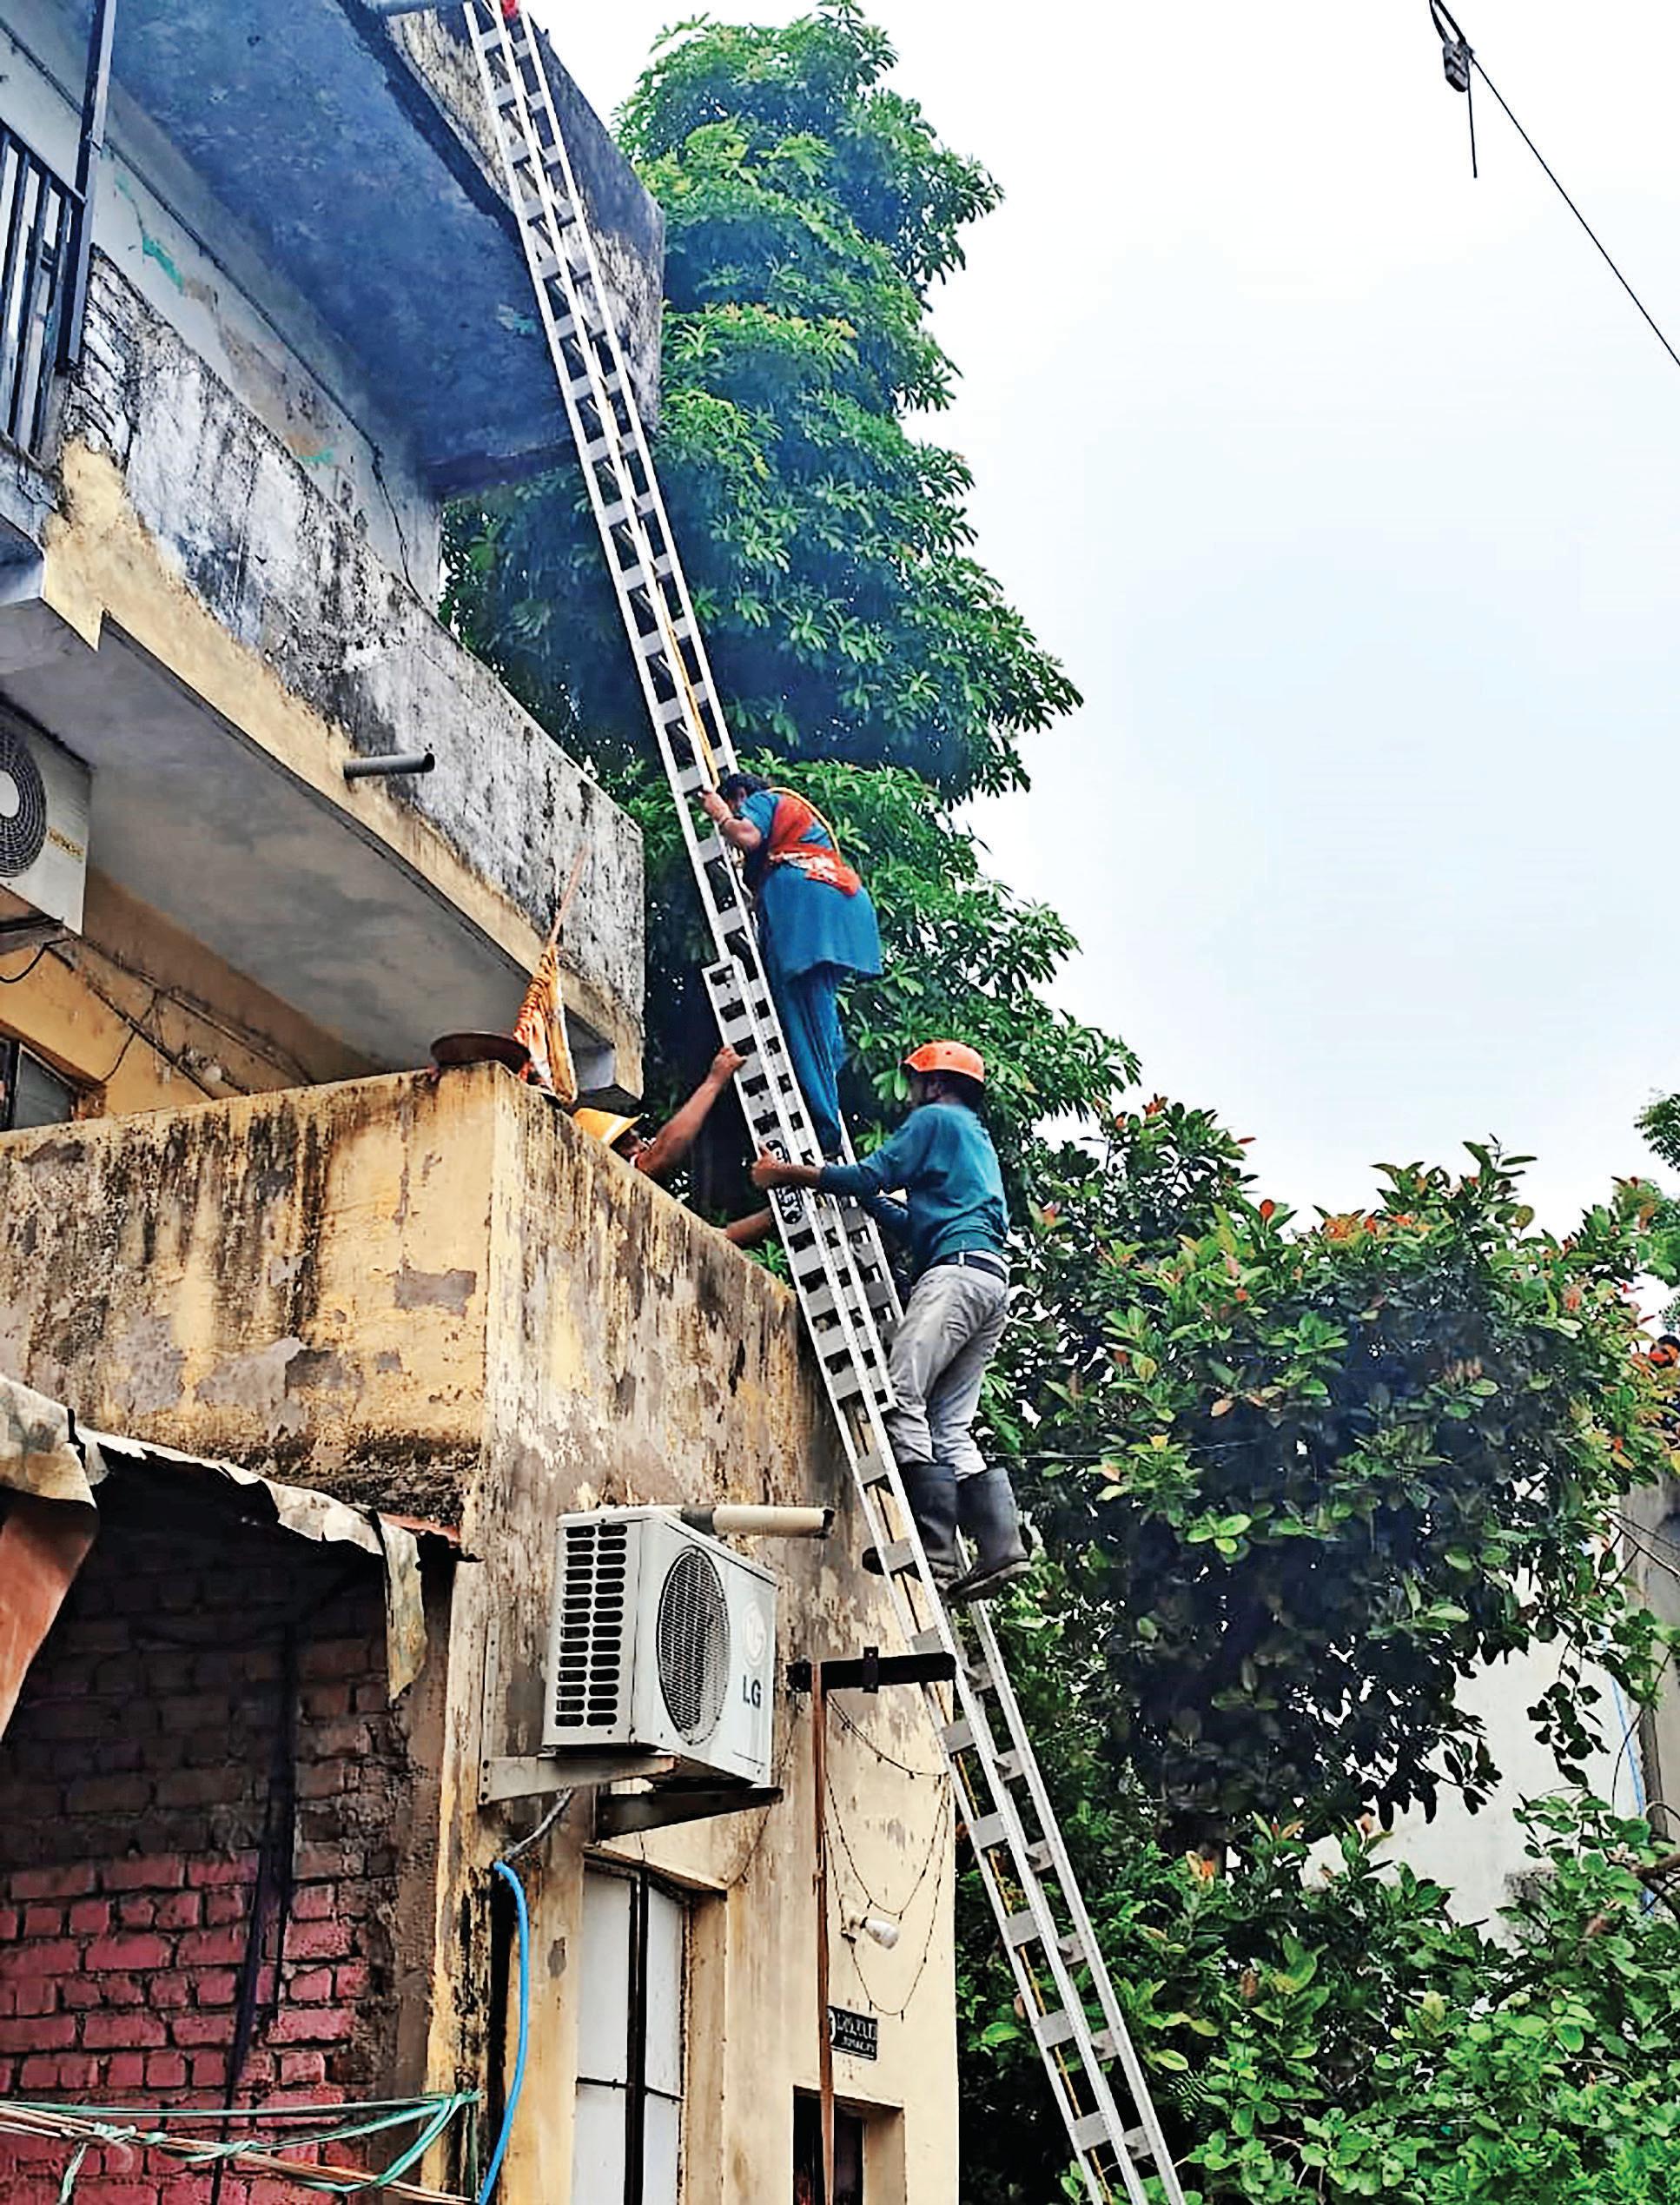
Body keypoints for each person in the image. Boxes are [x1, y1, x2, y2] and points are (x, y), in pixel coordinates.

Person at [751, 1040, 1030, 1603]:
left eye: (916, 1083)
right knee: (949, 1426)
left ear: (935, 1084)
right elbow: (915, 1224)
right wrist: (868, 1204)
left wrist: (785, 1173)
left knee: (901, 1394)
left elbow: (871, 1174)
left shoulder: (934, 1119)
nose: (910, 1095)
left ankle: (935, 1548)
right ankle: (1002, 1547)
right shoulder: (973, 1137)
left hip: (953, 1277)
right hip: (988, 1280)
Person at [698, 772, 881, 1158]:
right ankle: (826, 1101)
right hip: (836, 905)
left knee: (799, 1013)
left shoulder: (765, 801)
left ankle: (824, 1127)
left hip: (808, 906)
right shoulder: (797, 827)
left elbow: (747, 835)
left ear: (741, 794)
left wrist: (720, 814)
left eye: (736, 804)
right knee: (819, 1015)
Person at [575, 1047, 774, 1248]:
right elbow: (662, 1153)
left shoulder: (649, 1214)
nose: (642, 1146)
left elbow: (723, 1237)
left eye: (637, 1138)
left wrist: (778, 1210)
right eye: (627, 1143)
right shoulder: (614, 1185)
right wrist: (714, 1081)